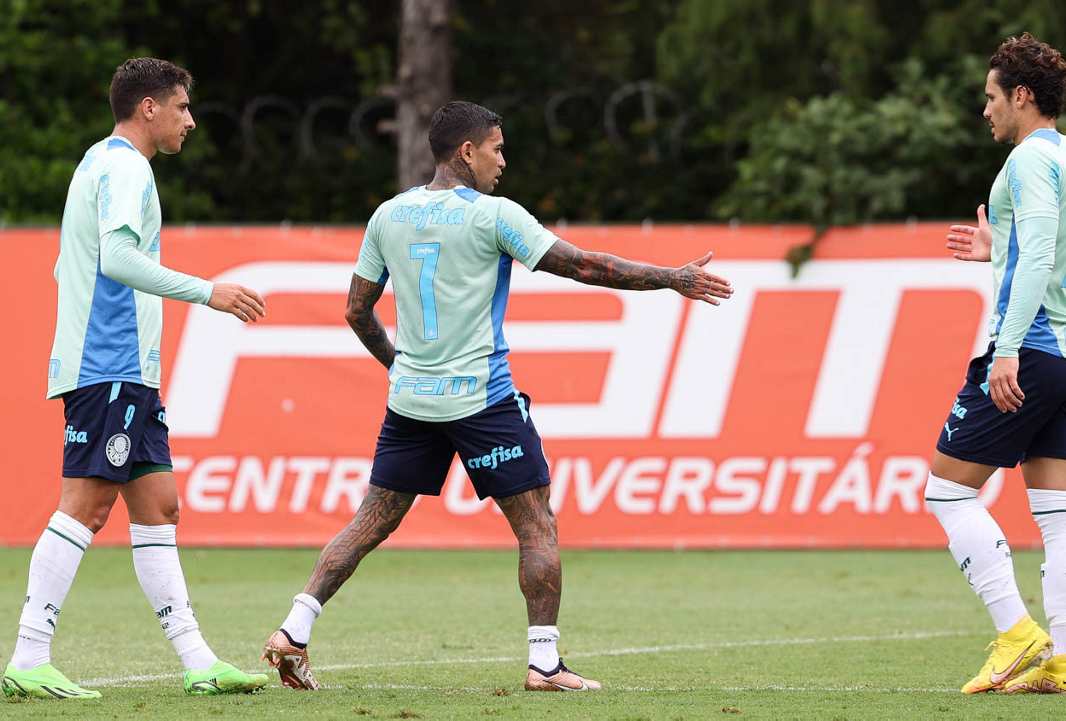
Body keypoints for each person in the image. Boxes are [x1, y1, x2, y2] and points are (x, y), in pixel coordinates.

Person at [260, 100, 733, 692]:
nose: (502, 161)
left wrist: (402, 366)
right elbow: (583, 266)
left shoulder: (388, 214)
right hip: (482, 400)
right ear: (468, 151)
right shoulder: (493, 215)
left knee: (369, 522)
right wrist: (672, 278)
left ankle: (293, 630)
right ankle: (544, 664)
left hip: (412, 402)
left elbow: (357, 311)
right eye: (497, 149)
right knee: (536, 525)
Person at [2, 57, 271, 700]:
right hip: (109, 366)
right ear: (149, 108)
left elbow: (72, 264)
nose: (190, 121)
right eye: (182, 107)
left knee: (159, 507)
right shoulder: (126, 168)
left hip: (126, 371)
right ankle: (29, 656)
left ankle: (199, 662)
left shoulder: (98, 162)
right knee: (87, 506)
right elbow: (118, 259)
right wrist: (209, 292)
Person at [928, 33, 1066, 694]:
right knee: (1059, 512)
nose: (986, 110)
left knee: (947, 491)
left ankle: (1018, 633)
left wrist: (1006, 350)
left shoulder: (1027, 159)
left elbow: (1039, 258)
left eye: (992, 97)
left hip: (1033, 349)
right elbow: (1055, 247)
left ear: (1022, 96)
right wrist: (997, 248)